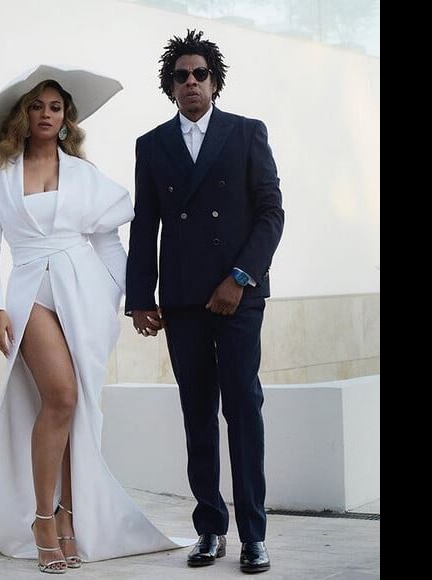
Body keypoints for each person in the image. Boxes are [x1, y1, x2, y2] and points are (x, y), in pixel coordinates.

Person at [0, 65, 185, 574]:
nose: (45, 114)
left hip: (83, 292)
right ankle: (43, 519)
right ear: (24, 115)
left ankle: (66, 514)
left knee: (72, 407)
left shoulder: (85, 177)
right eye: (36, 106)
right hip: (27, 289)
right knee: (59, 395)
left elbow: (109, 242)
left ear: (66, 119)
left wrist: (120, 296)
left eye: (55, 107)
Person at [125, 31, 284, 574]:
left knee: (242, 410)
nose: (190, 83)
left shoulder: (246, 134)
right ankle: (210, 530)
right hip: (184, 301)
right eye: (181, 76)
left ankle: (254, 536)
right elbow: (145, 225)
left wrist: (239, 277)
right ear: (170, 88)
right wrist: (139, 297)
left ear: (214, 82)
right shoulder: (151, 145)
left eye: (200, 74)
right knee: (197, 414)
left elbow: (270, 214)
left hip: (238, 296)